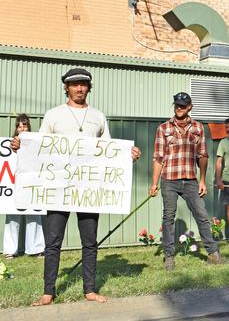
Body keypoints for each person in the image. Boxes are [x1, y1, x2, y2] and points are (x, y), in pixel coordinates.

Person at [11, 67, 142, 306]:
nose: (79, 88)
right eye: (75, 84)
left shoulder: (98, 116)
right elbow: (39, 148)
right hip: (58, 188)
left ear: (88, 87)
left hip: (88, 189)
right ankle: (48, 292)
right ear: (67, 88)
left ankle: (90, 290)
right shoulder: (53, 115)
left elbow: (108, 149)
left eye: (83, 84)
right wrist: (22, 145)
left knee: (89, 241)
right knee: (53, 241)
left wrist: (127, 155)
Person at [149, 92, 223, 271]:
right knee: (168, 217)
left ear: (190, 107)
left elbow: (203, 155)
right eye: (177, 105)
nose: (179, 108)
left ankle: (213, 254)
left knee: (202, 215)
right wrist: (154, 183)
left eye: (183, 105)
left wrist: (203, 180)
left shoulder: (198, 128)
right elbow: (158, 158)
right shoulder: (163, 128)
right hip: (170, 179)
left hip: (190, 180)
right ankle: (169, 257)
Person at [3, 114, 45, 259]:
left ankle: (36, 248)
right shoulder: (7, 145)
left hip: (30, 182)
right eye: (19, 125)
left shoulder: (35, 143)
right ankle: (10, 250)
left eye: (24, 125)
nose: (22, 128)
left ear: (29, 126)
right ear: (15, 128)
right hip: (12, 184)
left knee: (33, 215)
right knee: (12, 216)